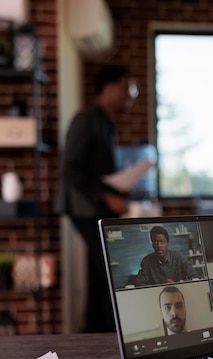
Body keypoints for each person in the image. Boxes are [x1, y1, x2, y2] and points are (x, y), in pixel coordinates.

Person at [57, 65, 138, 333]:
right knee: (106, 274)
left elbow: (96, 171)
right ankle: (104, 336)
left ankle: (95, 334)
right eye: (127, 87)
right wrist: (106, 196)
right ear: (110, 88)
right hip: (86, 209)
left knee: (99, 274)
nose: (130, 95)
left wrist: (118, 191)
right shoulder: (86, 119)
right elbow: (71, 167)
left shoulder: (104, 121)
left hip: (96, 207)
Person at [132, 225, 199, 286]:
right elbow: (139, 284)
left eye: (162, 241)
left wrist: (177, 284)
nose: (159, 245)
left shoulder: (178, 257)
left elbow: (195, 277)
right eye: (155, 242)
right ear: (152, 245)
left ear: (167, 244)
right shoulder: (147, 261)